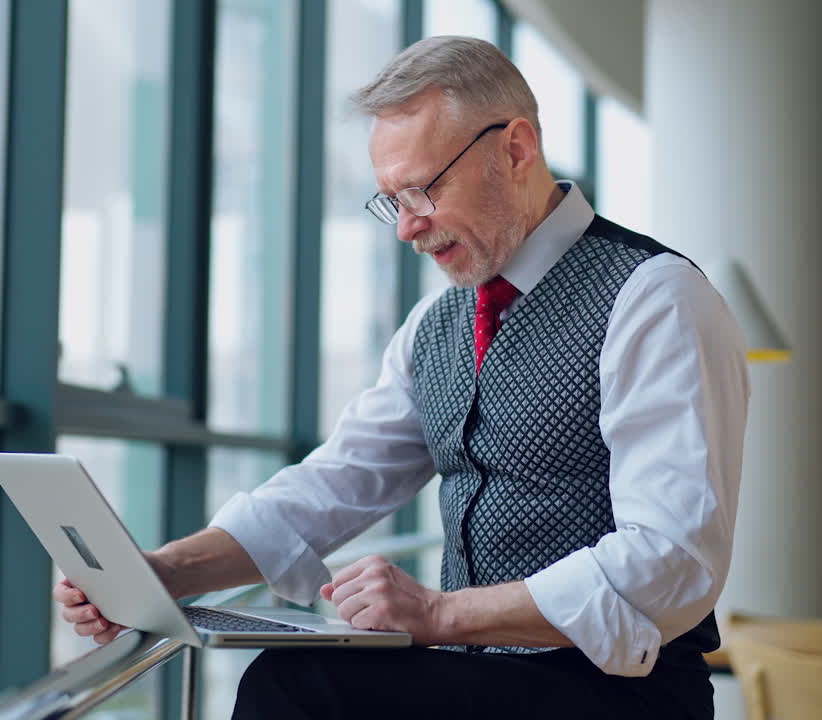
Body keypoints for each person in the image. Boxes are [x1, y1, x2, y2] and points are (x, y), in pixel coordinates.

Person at [54, 36, 748, 720]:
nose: (406, 228)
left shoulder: (653, 298)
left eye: (421, 189)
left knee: (302, 687)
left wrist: (438, 613)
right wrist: (166, 571)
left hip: (624, 694)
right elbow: (334, 484)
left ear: (515, 148)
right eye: (390, 199)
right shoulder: (435, 325)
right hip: (481, 685)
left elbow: (671, 560)